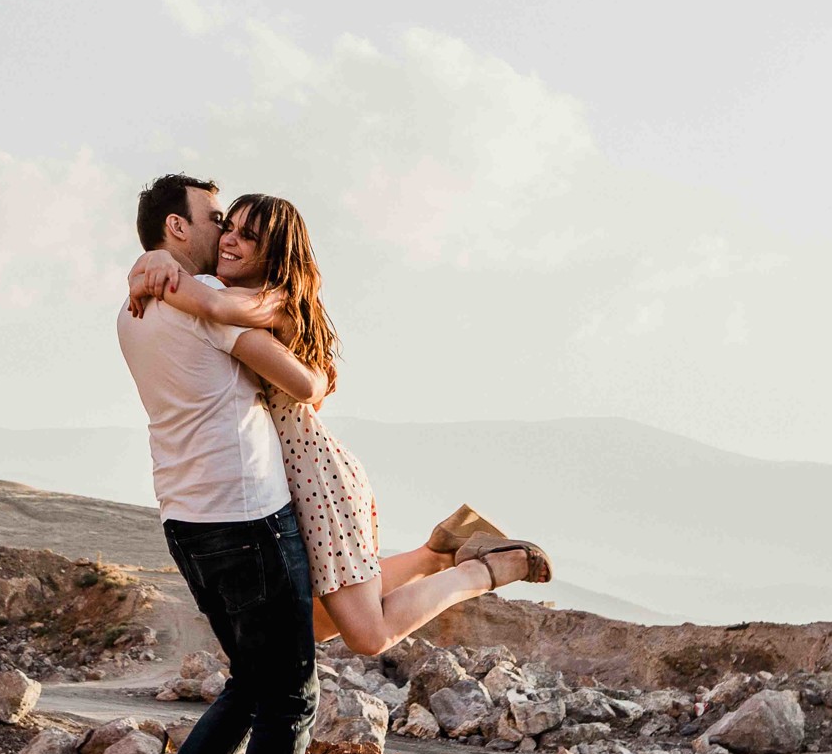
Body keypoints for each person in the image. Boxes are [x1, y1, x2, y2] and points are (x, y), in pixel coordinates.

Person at [127, 193, 549, 659]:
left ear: (274, 253)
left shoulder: (271, 302)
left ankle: (489, 568)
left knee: (369, 635)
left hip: (316, 478)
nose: (229, 240)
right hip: (289, 480)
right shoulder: (246, 298)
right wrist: (155, 261)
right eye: (228, 227)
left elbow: (211, 305)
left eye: (249, 236)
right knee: (310, 622)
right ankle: (440, 551)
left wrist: (154, 265)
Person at [111, 174, 330, 754]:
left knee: (253, 684)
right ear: (177, 227)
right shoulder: (198, 300)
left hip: (187, 518)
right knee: (291, 697)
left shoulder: (132, 307)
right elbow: (305, 383)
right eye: (214, 217)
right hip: (246, 518)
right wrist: (284, 305)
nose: (223, 230)